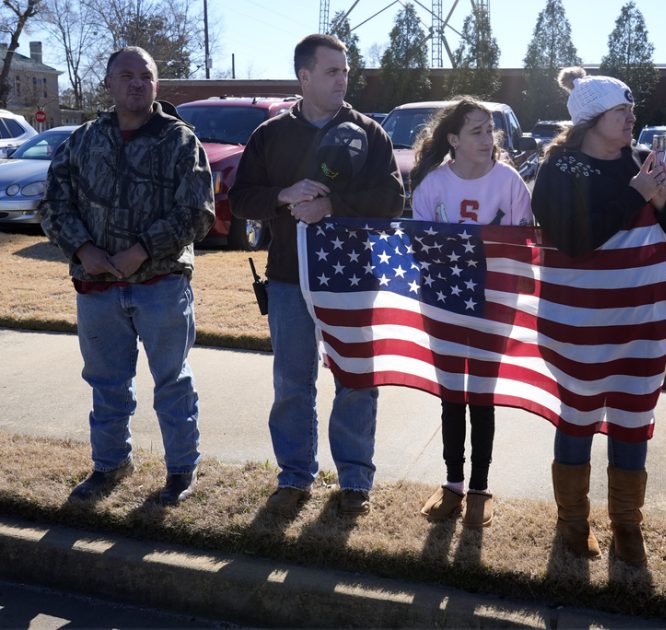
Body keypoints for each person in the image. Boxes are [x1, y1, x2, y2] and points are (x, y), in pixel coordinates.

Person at [229, 34, 404, 516]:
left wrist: (332, 207)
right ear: (304, 77)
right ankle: (295, 477)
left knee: (355, 380)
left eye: (345, 71)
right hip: (287, 278)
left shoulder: (370, 133)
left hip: (352, 280)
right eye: (331, 71)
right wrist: (284, 196)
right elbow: (241, 199)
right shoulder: (270, 136)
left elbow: (392, 203)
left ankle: (354, 480)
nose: (342, 79)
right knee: (292, 382)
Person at [531, 67, 666, 565]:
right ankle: (573, 522)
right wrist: (638, 194)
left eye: (631, 109)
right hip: (578, 324)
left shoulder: (647, 162)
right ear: (591, 118)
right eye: (621, 111)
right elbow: (576, 241)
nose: (632, 118)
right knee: (579, 418)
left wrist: (663, 199)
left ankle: (628, 524)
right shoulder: (560, 168)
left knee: (632, 419)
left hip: (644, 322)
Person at [41, 46, 215, 506]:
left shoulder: (179, 141)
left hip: (160, 285)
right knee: (106, 382)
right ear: (109, 83)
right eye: (127, 75)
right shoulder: (82, 141)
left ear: (156, 85)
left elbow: (197, 214)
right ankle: (109, 463)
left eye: (146, 75)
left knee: (172, 380)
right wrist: (83, 248)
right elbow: (53, 202)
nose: (137, 83)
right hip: (98, 287)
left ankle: (181, 470)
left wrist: (143, 250)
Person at [410, 97, 533, 529]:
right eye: (476, 131)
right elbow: (418, 249)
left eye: (490, 130)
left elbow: (523, 250)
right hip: (444, 303)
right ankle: (453, 484)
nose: (487, 139)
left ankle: (480, 488)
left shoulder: (510, 183)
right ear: (454, 139)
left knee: (481, 395)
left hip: (493, 305)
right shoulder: (432, 186)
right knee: (451, 395)